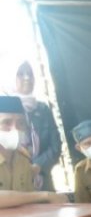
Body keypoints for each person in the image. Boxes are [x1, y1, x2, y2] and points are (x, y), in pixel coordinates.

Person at [3, 59, 62, 192]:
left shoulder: (42, 109)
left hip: (43, 179)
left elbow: (55, 145)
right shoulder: (4, 109)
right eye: (20, 74)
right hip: (11, 181)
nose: (27, 78)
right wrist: (24, 167)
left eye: (30, 74)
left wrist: (38, 165)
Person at [0, 95, 36, 192]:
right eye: (6, 122)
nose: (15, 129)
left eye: (21, 123)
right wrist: (44, 195)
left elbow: (29, 196)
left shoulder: (24, 159)